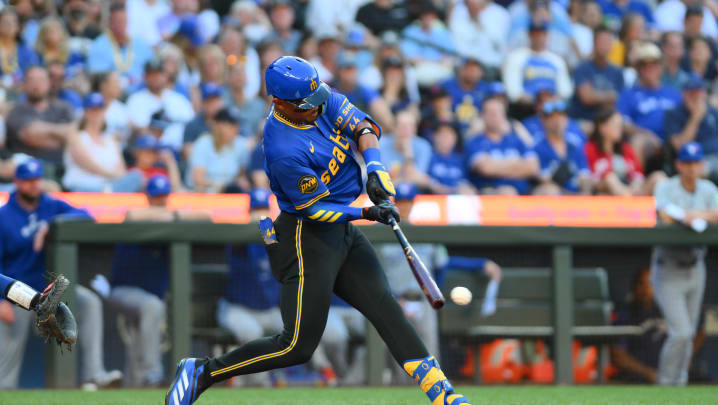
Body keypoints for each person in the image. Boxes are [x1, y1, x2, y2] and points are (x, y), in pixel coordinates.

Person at [165, 56, 471, 405]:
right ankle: (202, 371)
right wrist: (367, 211)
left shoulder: (319, 97)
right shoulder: (281, 147)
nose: (316, 107)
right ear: (280, 103)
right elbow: (315, 209)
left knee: (387, 309)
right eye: (306, 104)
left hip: (342, 230)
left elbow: (364, 127)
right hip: (305, 237)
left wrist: (374, 168)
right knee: (296, 346)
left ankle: (441, 393)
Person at [0, 159, 122, 390]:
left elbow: (87, 215)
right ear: (17, 182)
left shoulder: (50, 205)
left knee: (88, 302)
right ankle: (4, 390)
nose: (33, 185)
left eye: (37, 180)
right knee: (7, 349)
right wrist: (0, 300)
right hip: (16, 294)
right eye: (28, 180)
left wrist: (51, 223)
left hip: (48, 290)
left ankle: (94, 375)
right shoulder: (4, 215)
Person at [109, 174, 209, 387]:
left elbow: (206, 216)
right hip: (122, 291)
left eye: (164, 196)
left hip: (148, 295)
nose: (160, 201)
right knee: (153, 307)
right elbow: (129, 215)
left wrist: (172, 215)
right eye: (156, 197)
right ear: (147, 197)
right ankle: (152, 373)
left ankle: (133, 386)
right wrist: (166, 215)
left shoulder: (170, 219)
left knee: (139, 340)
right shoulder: (138, 217)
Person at [653, 141, 718, 386]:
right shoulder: (665, 187)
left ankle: (678, 384)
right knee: (680, 332)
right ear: (679, 164)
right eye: (687, 163)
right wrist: (689, 216)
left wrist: (696, 215)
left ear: (702, 165)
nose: (692, 168)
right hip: (668, 267)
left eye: (696, 163)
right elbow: (665, 214)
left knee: (688, 333)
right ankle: (666, 382)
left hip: (695, 267)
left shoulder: (709, 188)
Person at [377, 183, 445, 381]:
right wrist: (392, 299)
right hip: (396, 300)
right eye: (402, 203)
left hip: (423, 300)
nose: (405, 207)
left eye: (409, 203)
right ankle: (401, 391)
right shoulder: (382, 232)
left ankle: (436, 388)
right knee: (399, 354)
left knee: (430, 349)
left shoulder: (426, 234)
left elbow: (442, 266)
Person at [219, 188, 283, 387]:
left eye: (264, 209)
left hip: (268, 310)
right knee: (252, 332)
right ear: (248, 212)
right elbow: (250, 234)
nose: (260, 214)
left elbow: (275, 240)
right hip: (237, 309)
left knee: (299, 329)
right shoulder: (240, 237)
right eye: (256, 209)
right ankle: (259, 383)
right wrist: (261, 224)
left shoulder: (276, 237)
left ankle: (326, 373)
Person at [62, 93, 143, 193]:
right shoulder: (77, 137)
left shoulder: (111, 139)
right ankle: (109, 191)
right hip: (82, 186)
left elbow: (121, 169)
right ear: (85, 112)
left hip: (110, 185)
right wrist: (113, 176)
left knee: (137, 176)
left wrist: (118, 178)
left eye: (100, 109)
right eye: (92, 110)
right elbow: (88, 165)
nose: (97, 113)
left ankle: (109, 191)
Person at [617, 42, 682, 165]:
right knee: (638, 141)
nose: (650, 69)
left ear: (661, 67)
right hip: (647, 142)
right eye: (645, 65)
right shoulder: (629, 94)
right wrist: (647, 134)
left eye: (654, 65)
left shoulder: (673, 93)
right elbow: (623, 124)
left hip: (673, 140)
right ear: (638, 69)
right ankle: (638, 179)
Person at [465, 98, 539, 195]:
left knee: (549, 191)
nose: (494, 116)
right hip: (490, 193)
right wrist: (518, 163)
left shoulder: (515, 139)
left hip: (523, 193)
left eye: (498, 112)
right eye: (490, 113)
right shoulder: (475, 141)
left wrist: (497, 165)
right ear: (482, 115)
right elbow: (486, 168)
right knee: (507, 192)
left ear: (504, 115)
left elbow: (533, 167)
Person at [5, 66, 77, 167]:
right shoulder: (16, 111)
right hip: (29, 171)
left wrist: (44, 130)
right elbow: (33, 137)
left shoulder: (64, 107)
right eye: (31, 80)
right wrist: (64, 136)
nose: (36, 84)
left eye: (41, 79)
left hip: (63, 167)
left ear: (49, 83)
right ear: (24, 85)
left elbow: (78, 133)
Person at [586, 108, 660, 196]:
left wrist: (636, 183)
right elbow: (591, 178)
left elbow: (638, 174)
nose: (619, 129)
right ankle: (627, 201)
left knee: (658, 176)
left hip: (631, 189)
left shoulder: (626, 148)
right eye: (615, 125)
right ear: (602, 127)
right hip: (605, 193)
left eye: (620, 126)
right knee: (610, 178)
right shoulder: (590, 148)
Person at [502, 19, 573, 107]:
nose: (539, 37)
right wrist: (537, 103)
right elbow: (513, 92)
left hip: (554, 107)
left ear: (547, 35)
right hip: (526, 107)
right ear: (529, 35)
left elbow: (565, 91)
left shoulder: (556, 60)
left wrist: (550, 102)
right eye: (535, 34)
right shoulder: (517, 57)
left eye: (542, 34)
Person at [664, 73, 718, 181]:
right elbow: (679, 146)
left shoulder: (711, 111)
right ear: (684, 94)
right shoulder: (674, 114)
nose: (696, 97)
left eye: (699, 93)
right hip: (693, 161)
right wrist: (695, 118)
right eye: (692, 93)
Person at [86, 1, 153, 89]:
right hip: (111, 94)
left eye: (123, 20)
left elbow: (152, 67)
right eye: (117, 21)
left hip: (141, 94)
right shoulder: (99, 46)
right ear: (110, 22)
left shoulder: (140, 43)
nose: (121, 24)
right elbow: (97, 77)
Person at [532, 100, 592, 195]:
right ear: (544, 121)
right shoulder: (537, 147)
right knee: (550, 190)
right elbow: (544, 180)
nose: (558, 120)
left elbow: (585, 175)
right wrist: (571, 198)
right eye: (553, 117)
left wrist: (584, 194)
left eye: (561, 116)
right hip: (556, 202)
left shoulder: (574, 144)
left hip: (579, 198)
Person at [186, 108, 251, 193]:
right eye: (230, 125)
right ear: (218, 125)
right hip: (203, 194)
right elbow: (198, 179)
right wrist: (219, 185)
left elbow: (241, 174)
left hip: (229, 194)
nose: (235, 129)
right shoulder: (203, 143)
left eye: (236, 125)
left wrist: (241, 181)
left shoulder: (240, 144)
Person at [569, 25, 625, 123]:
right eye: (601, 41)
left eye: (608, 42)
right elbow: (586, 98)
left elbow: (619, 101)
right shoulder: (583, 68)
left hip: (607, 122)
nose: (604, 45)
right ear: (594, 43)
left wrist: (596, 96)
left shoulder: (617, 72)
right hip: (584, 119)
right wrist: (609, 96)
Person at [126, 59, 195, 132]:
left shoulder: (178, 99)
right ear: (145, 77)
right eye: (151, 75)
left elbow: (191, 122)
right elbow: (130, 126)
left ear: (165, 76)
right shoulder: (135, 99)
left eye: (158, 74)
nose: (155, 78)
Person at [448, 0, 510, 71]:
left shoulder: (501, 14)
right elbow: (456, 43)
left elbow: (499, 44)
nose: (474, 8)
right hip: (466, 64)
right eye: (471, 5)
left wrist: (479, 23)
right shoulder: (458, 12)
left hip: (492, 64)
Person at [378, 110, 433, 186]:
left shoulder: (423, 146)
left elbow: (418, 179)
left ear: (415, 129)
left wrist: (408, 151)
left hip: (414, 193)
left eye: (410, 126)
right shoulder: (381, 145)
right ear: (394, 127)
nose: (406, 130)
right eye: (402, 125)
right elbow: (380, 180)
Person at [428, 122, 475, 194]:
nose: (446, 139)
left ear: (455, 138)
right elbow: (423, 180)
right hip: (432, 200)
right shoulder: (428, 157)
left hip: (457, 201)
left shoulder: (460, 160)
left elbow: (466, 183)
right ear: (435, 137)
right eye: (443, 136)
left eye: (449, 136)